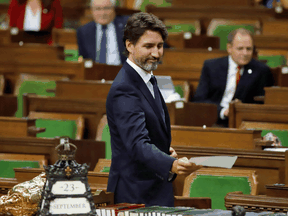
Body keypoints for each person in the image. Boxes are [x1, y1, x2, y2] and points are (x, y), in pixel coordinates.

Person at [106, 12, 202, 207]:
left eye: (159, 46)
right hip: (135, 195)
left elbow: (147, 132)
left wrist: (163, 149)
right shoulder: (125, 88)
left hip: (154, 189)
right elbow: (136, 143)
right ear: (129, 45)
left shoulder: (147, 78)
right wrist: (171, 164)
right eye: (148, 46)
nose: (156, 53)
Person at [193, 28, 274, 127]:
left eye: (248, 49)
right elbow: (199, 99)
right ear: (229, 48)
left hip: (243, 123)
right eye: (240, 48)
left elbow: (262, 104)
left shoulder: (261, 71)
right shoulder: (212, 66)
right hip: (214, 119)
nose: (245, 53)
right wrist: (223, 111)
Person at [77, 0, 129, 65]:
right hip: (95, 72)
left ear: (113, 9)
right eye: (98, 9)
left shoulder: (127, 26)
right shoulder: (84, 31)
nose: (102, 13)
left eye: (106, 8)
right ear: (91, 10)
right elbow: (83, 58)